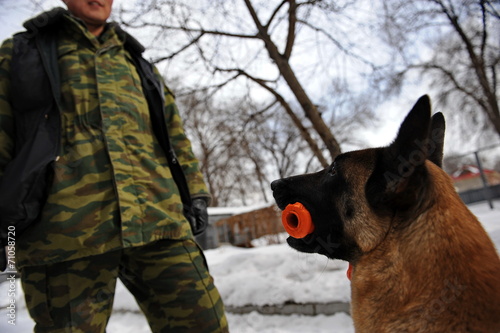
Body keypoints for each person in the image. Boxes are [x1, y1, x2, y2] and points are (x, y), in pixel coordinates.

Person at [0, 0, 229, 332]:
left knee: (206, 324)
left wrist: (195, 192)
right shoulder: (20, 53)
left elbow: (173, 135)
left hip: (159, 221)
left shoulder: (137, 61)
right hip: (62, 233)